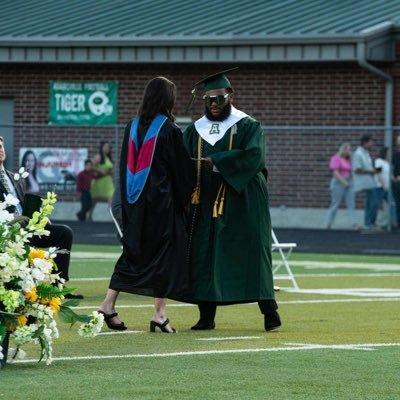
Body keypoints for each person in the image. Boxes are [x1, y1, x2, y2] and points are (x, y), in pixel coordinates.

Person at [182, 68, 281, 331]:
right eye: (209, 100)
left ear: (231, 96)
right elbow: (182, 161)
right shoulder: (194, 131)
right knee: (206, 254)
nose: (214, 105)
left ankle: (269, 312)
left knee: (252, 252)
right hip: (205, 199)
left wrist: (216, 162)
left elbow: (254, 157)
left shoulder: (248, 126)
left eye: (219, 99)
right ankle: (206, 316)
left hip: (243, 198)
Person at [98, 77, 194, 333]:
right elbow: (181, 171)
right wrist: (187, 197)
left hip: (134, 203)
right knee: (166, 255)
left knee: (133, 252)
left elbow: (123, 167)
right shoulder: (169, 130)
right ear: (167, 100)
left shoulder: (131, 127)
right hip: (162, 206)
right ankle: (159, 314)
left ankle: (108, 305)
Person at [0, 136, 82, 299]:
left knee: (64, 233)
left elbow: (23, 204)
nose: (0, 150)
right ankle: (24, 289)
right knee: (23, 239)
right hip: (9, 231)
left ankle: (58, 285)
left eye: (1, 146)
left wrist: (40, 216)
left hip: (28, 227)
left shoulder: (14, 177)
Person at [326, 143, 358, 229]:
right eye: (348, 149)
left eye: (350, 150)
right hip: (339, 182)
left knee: (351, 203)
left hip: (349, 181)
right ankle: (329, 223)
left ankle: (354, 223)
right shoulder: (336, 158)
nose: (350, 151)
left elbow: (353, 171)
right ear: (343, 150)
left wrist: (351, 159)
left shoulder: (349, 160)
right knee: (335, 203)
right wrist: (344, 182)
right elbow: (335, 171)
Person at [352, 134, 380, 231]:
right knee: (373, 202)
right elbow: (357, 170)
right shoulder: (358, 154)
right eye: (370, 142)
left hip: (371, 182)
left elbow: (367, 167)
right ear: (365, 143)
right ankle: (369, 223)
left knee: (371, 202)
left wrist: (373, 170)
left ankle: (369, 223)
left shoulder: (366, 153)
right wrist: (372, 171)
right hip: (365, 182)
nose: (371, 144)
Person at [88, 141, 115, 221]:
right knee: (94, 200)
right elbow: (91, 167)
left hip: (108, 181)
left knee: (111, 197)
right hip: (100, 181)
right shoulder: (98, 157)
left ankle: (113, 217)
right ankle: (89, 215)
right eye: (105, 147)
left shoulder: (108, 157)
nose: (107, 149)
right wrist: (100, 171)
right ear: (101, 148)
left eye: (108, 147)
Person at [392, 135, 400, 228]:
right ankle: (398, 222)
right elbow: (392, 167)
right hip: (396, 183)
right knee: (397, 202)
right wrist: (393, 177)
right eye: (398, 140)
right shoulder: (395, 154)